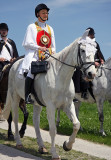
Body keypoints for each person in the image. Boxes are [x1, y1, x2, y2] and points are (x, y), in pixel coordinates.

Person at [19, 3, 56, 104]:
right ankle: (27, 95)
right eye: (43, 13)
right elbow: (27, 43)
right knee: (31, 71)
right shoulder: (32, 27)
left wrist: (52, 52)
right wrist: (39, 47)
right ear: (37, 14)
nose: (45, 15)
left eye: (46, 13)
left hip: (48, 56)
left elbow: (53, 45)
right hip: (35, 55)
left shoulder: (50, 29)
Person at [73, 27, 105, 100]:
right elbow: (85, 57)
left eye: (93, 34)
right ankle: (83, 91)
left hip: (97, 62)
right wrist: (94, 63)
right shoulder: (83, 44)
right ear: (87, 35)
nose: (92, 35)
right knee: (82, 71)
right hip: (88, 63)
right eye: (91, 34)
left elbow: (99, 53)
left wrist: (102, 60)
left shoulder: (95, 43)